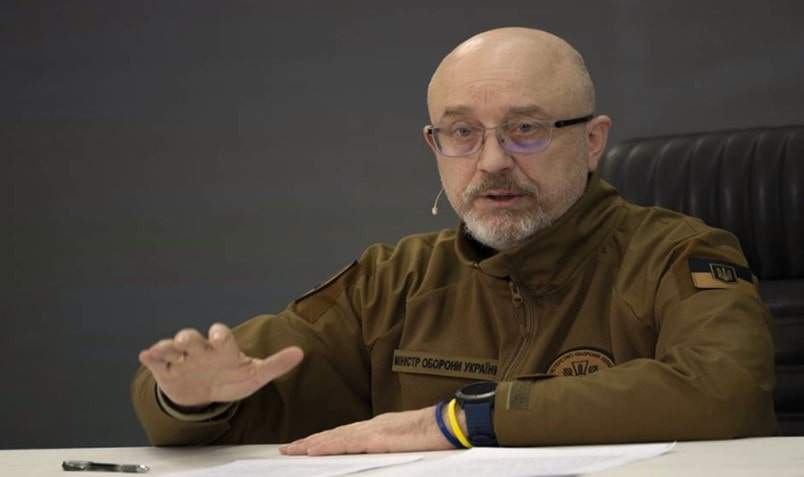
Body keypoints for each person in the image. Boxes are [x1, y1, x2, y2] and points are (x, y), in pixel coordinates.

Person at [131, 27, 777, 455]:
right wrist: (187, 397)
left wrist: (462, 420)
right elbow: (221, 388)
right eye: (462, 133)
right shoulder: (392, 282)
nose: (492, 161)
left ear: (592, 140)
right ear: (434, 145)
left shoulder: (677, 255)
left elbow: (725, 392)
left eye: (526, 129)